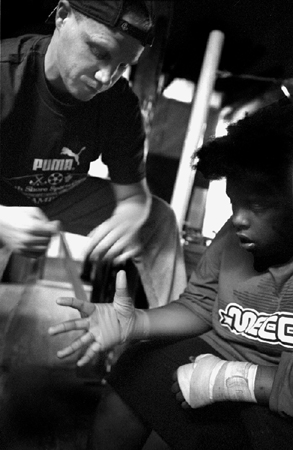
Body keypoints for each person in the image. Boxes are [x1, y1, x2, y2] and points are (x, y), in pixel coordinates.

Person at [49, 98, 293, 449]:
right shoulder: (233, 237)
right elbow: (199, 304)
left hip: (274, 373)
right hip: (220, 349)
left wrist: (233, 379)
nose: (238, 219)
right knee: (134, 366)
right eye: (233, 202)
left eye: (257, 205)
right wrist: (135, 323)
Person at [0, 0, 186, 306]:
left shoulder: (119, 103)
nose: (105, 77)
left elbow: (135, 196)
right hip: (4, 197)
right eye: (100, 52)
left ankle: (167, 339)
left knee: (158, 219)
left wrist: (131, 213)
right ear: (62, 16)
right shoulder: (7, 75)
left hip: (60, 197)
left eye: (123, 64)